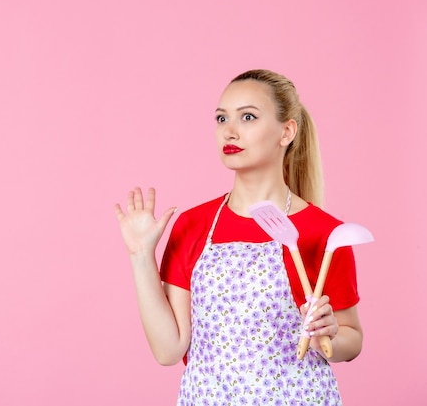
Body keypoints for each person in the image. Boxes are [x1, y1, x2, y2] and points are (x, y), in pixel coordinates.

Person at [114, 69, 362, 405]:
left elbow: (352, 338)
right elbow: (168, 350)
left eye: (247, 117)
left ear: (286, 131)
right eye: (221, 119)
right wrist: (141, 255)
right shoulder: (192, 225)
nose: (229, 131)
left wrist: (328, 336)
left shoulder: (324, 233)